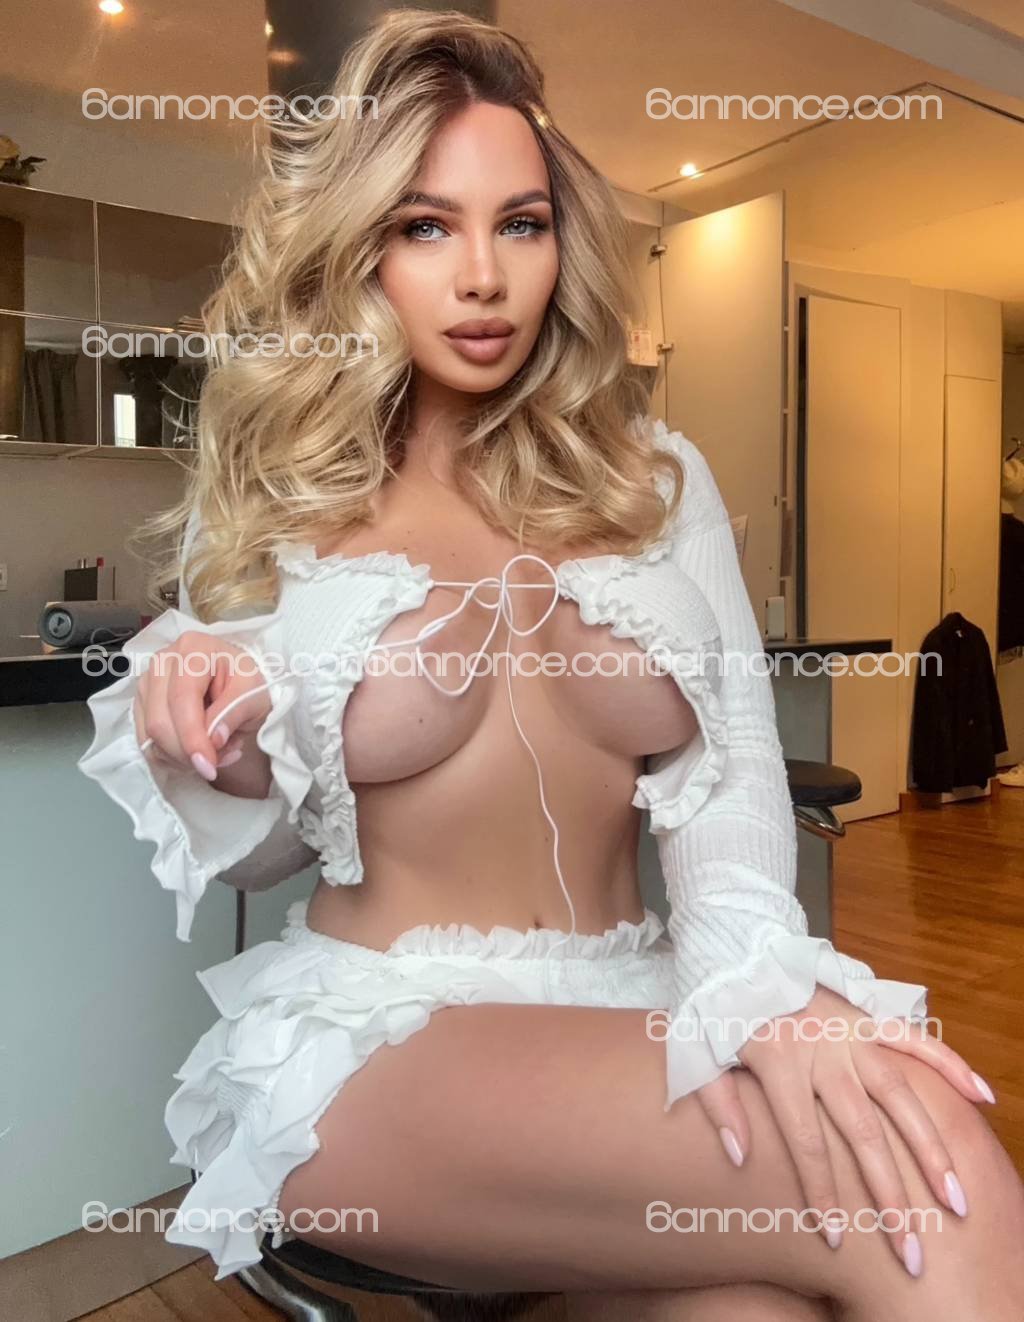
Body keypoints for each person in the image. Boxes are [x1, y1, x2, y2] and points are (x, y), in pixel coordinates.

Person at [78, 9, 1024, 1319]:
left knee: (755, 1309)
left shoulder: (655, 481)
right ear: (358, 248)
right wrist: (224, 756)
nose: (484, 276)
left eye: (519, 224)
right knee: (930, 1174)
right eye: (426, 226)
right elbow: (268, 851)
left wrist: (760, 988)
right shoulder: (284, 501)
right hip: (384, 1038)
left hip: (632, 1005)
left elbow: (737, 768)